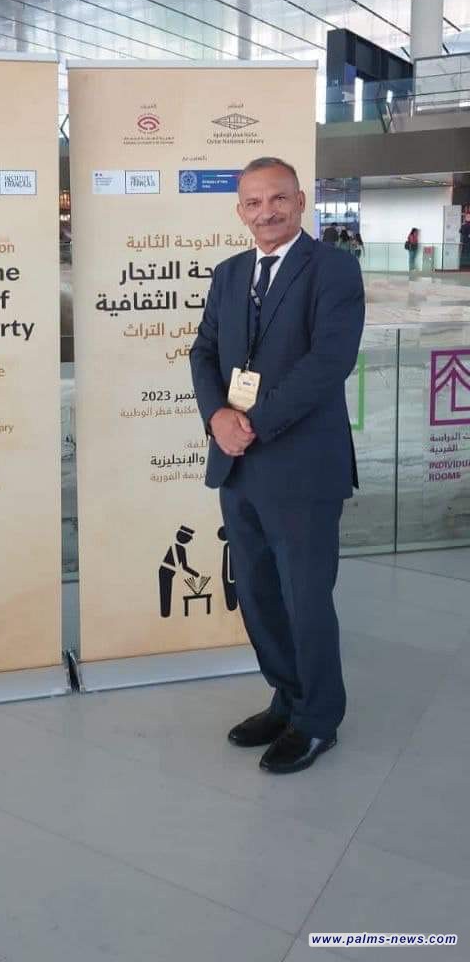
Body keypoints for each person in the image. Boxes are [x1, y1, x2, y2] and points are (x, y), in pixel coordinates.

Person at [189, 157, 364, 774]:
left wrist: (254, 423)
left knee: (305, 598)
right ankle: (287, 698)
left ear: (300, 201)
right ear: (240, 210)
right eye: (254, 202)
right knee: (259, 595)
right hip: (238, 464)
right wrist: (217, 416)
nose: (266, 212)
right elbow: (204, 351)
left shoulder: (333, 269)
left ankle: (318, 720)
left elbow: (328, 363)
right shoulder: (230, 273)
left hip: (301, 466)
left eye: (278, 199)